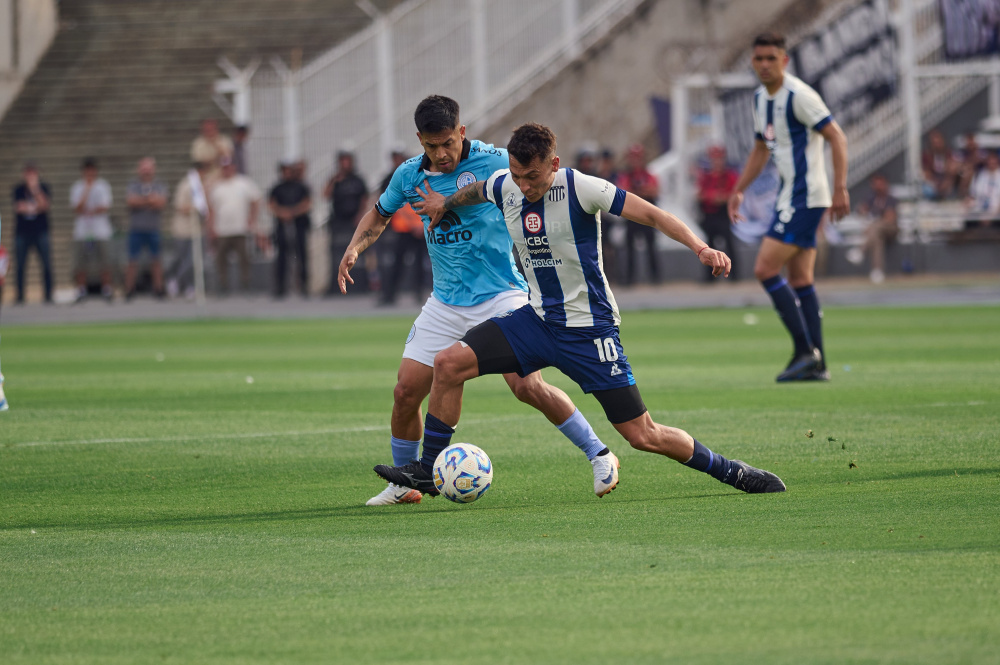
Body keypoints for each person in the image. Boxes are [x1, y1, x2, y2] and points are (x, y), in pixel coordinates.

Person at [376, 121, 785, 497]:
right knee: (448, 364)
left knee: (643, 435)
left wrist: (701, 247)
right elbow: (477, 190)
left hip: (591, 332)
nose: (523, 186)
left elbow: (654, 215)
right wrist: (445, 204)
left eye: (532, 177)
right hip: (536, 321)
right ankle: (428, 469)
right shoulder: (505, 185)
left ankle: (731, 471)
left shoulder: (582, 188)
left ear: (553, 164)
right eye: (517, 176)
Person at [338, 96, 618, 506]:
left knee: (526, 386)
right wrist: (353, 249)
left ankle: (599, 453)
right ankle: (405, 484)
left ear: (462, 131)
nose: (441, 153)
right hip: (445, 302)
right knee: (405, 391)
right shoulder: (408, 175)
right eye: (432, 146)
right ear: (419, 140)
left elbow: (543, 179)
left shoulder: (495, 161)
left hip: (502, 294)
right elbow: (379, 215)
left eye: (448, 143)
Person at [727, 32, 849, 382]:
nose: (764, 65)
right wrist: (739, 190)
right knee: (800, 279)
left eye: (771, 58)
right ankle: (818, 362)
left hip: (806, 196)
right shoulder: (760, 99)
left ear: (785, 60)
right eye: (758, 59)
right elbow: (761, 149)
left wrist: (840, 186)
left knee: (765, 269)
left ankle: (805, 352)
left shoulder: (799, 96)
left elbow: (836, 137)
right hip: (790, 196)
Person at [377, 148, 428, 305]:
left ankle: (419, 293)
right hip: (403, 228)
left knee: (420, 263)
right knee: (397, 262)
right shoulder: (390, 178)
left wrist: (420, 224)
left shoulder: (418, 176)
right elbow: (392, 203)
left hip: (418, 228)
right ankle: (390, 295)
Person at [208, 158, 262, 295]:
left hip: (240, 228)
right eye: (224, 167)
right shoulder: (217, 186)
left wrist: (252, 218)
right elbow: (211, 209)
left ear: (234, 167)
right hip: (222, 229)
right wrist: (211, 227)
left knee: (244, 258)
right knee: (221, 259)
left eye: (229, 167)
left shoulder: (243, 183)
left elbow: (255, 201)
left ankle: (245, 284)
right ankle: (223, 285)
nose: (227, 170)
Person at [70, 157, 115, 302]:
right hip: (82, 231)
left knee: (105, 261)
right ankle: (81, 290)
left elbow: (105, 207)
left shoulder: (103, 186)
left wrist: (90, 210)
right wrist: (87, 190)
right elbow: (77, 208)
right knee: (80, 262)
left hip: (101, 230)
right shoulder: (78, 187)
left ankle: (107, 289)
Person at [324, 150, 369, 295]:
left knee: (357, 254)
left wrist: (360, 216)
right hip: (338, 223)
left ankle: (359, 285)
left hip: (354, 222)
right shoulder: (336, 180)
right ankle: (336, 286)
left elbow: (364, 199)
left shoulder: (358, 180)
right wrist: (335, 181)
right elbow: (325, 195)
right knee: (337, 255)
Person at [124, 157, 169, 299]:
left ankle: (158, 288)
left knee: (156, 260)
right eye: (144, 169)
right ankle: (129, 289)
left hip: (153, 228)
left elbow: (161, 203)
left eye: (148, 169)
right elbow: (131, 201)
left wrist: (142, 201)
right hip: (136, 229)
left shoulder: (159, 185)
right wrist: (149, 200)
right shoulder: (133, 185)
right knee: (132, 260)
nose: (146, 172)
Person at [616, 143, 660, 285]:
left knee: (652, 247)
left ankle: (655, 278)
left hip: (647, 217)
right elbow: (622, 191)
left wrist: (637, 191)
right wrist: (641, 191)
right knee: (629, 248)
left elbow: (654, 190)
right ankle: (629, 279)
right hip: (631, 217)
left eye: (638, 157)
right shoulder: (626, 175)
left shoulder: (649, 174)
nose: (635, 161)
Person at [269, 160, 312, 298]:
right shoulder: (277, 188)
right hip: (282, 226)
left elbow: (307, 203)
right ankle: (280, 287)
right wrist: (283, 213)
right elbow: (272, 204)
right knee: (281, 257)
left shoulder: (301, 187)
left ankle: (304, 286)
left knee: (302, 256)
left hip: (299, 225)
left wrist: (292, 212)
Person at [166, 162, 210, 298]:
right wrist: (196, 209)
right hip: (183, 230)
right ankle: (175, 281)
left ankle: (188, 285)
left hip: (197, 230)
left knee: (194, 259)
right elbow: (180, 206)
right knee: (183, 259)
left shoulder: (202, 187)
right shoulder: (185, 185)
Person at [11, 162, 53, 303]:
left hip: (41, 231)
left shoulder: (43, 188)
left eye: (32, 173)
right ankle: (20, 296)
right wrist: (35, 207)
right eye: (28, 173)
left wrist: (35, 190)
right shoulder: (18, 189)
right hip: (22, 232)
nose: (30, 176)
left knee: (46, 264)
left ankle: (48, 295)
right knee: (20, 265)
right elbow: (19, 208)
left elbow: (45, 205)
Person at [696, 145, 740, 282]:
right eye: (714, 159)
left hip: (723, 214)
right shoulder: (706, 176)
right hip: (709, 215)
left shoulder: (729, 175)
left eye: (719, 158)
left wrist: (722, 198)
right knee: (708, 247)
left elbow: (736, 194)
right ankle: (709, 277)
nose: (717, 162)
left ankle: (734, 275)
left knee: (729, 244)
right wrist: (711, 197)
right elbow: (699, 195)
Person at [848, 173, 898, 284]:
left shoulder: (891, 199)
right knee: (876, 238)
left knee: (876, 227)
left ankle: (860, 250)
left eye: (880, 183)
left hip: (890, 230)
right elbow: (860, 210)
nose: (878, 186)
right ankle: (877, 271)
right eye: (875, 183)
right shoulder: (871, 198)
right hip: (876, 231)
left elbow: (889, 219)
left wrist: (872, 224)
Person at [191, 118, 234, 184]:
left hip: (223, 176)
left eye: (211, 129)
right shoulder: (198, 143)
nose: (209, 132)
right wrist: (214, 159)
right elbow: (199, 163)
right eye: (207, 130)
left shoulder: (224, 141)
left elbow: (228, 159)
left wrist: (216, 145)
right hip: (205, 177)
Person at [964, 149, 1000, 227]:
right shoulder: (979, 175)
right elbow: (972, 195)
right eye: (990, 160)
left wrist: (991, 217)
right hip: (978, 213)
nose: (991, 163)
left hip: (996, 214)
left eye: (994, 160)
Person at [921, 128, 959, 200]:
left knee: (953, 168)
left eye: (938, 142)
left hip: (947, 181)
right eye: (934, 143)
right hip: (934, 183)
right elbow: (927, 173)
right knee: (927, 189)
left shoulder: (949, 154)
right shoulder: (927, 156)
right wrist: (936, 184)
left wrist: (947, 180)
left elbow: (953, 169)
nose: (936, 145)